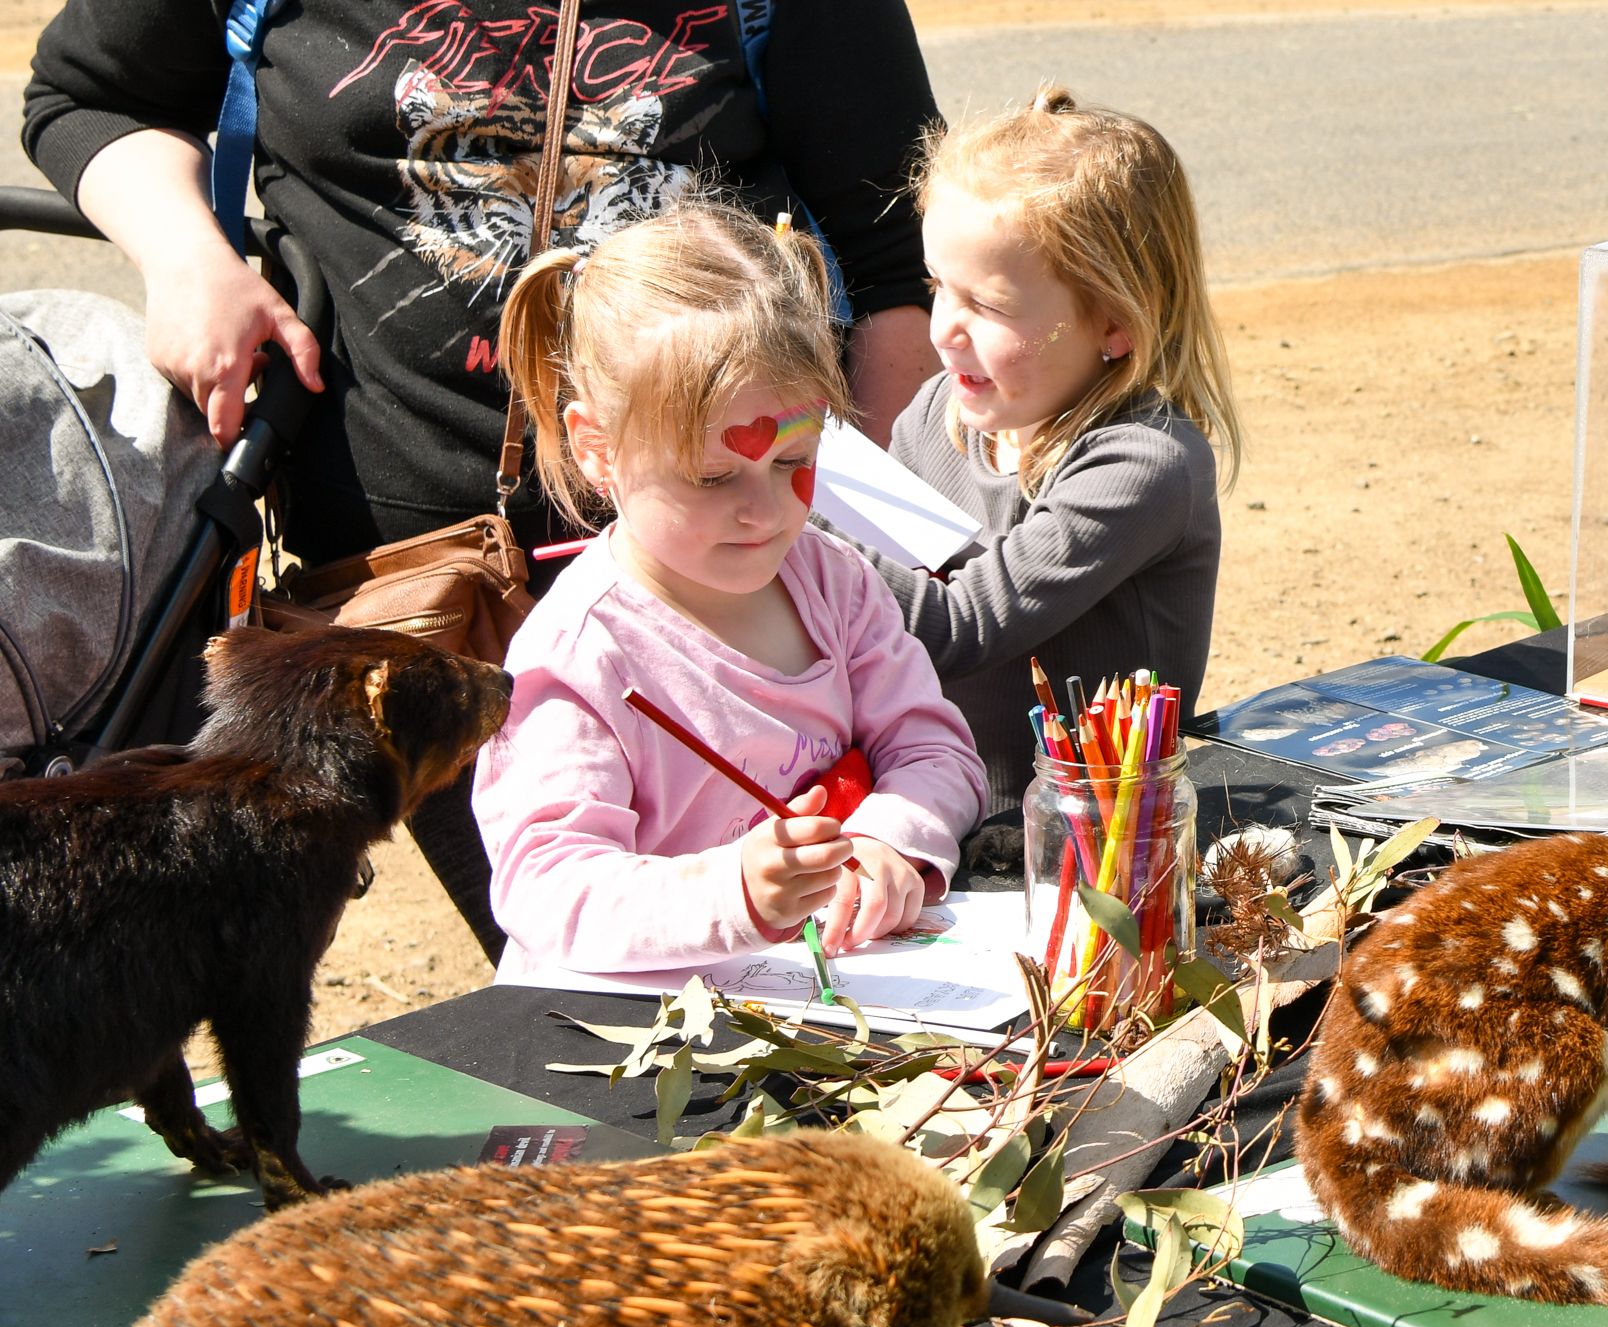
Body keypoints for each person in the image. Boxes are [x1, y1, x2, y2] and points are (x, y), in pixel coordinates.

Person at [24, 0, 942, 959]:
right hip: (422, 598)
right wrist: (188, 261)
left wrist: (819, 546)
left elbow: (890, 261)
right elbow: (86, 95)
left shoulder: (812, 580)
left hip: (749, 583)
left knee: (799, 958)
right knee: (599, 939)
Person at [472, 197, 986, 978]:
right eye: (713, 476)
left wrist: (890, 838)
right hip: (639, 1050)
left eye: (794, 460)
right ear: (598, 449)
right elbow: (546, 886)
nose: (766, 509)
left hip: (838, 1005)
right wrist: (732, 892)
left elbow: (933, 746)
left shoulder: (833, 584)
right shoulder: (580, 654)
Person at [848, 85, 1242, 808]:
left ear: (1115, 324)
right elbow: (891, 571)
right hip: (932, 803)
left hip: (1088, 847)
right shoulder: (945, 413)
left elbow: (959, 625)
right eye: (938, 286)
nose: (943, 330)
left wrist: (788, 514)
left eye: (987, 305)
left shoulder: (1141, 464)